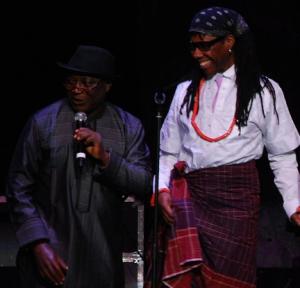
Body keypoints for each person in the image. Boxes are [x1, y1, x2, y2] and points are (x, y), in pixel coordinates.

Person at [155, 6, 300, 288]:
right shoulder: (184, 91)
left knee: (231, 281)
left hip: (237, 199)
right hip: (191, 199)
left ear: (229, 42)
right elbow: (168, 152)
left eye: (206, 45)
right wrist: (161, 189)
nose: (197, 54)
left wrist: (294, 205)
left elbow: (282, 154)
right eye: (193, 46)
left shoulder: (262, 90)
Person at [6, 45, 152, 288]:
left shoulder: (128, 127)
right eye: (71, 81)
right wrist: (38, 243)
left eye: (87, 82)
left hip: (102, 260)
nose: (76, 89)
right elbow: (18, 188)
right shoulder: (43, 123)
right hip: (49, 258)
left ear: (107, 86)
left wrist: (106, 158)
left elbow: (144, 183)